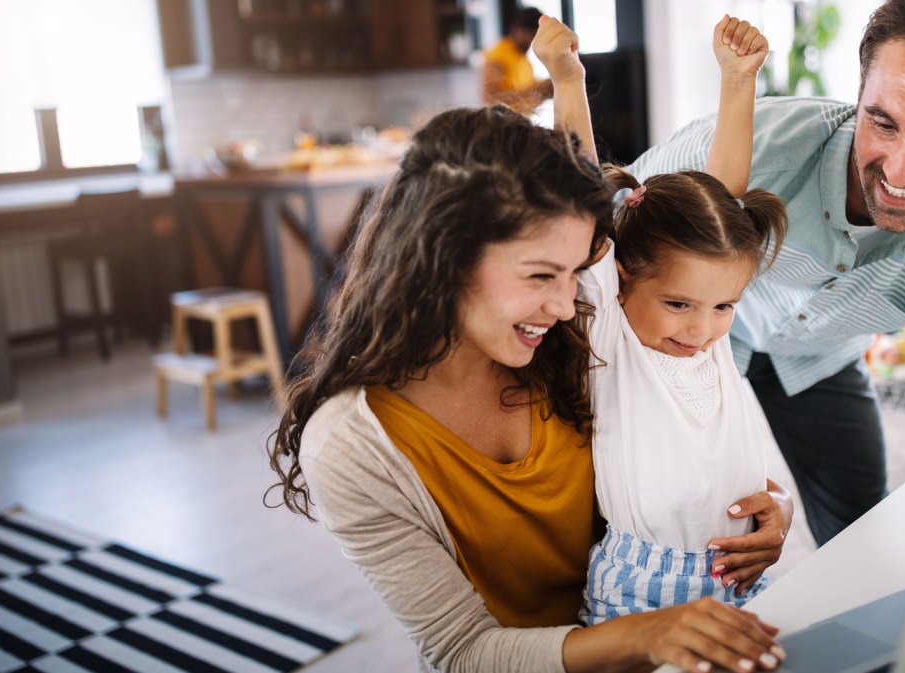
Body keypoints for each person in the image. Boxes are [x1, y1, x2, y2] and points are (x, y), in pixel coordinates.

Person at [267, 106, 790, 673]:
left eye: (573, 274)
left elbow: (686, 455)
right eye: (541, 275)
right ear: (442, 257)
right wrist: (647, 635)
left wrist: (770, 512)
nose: (566, 304)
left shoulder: (574, 339)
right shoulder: (352, 445)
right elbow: (462, 652)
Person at [623, 0, 905, 547]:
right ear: (861, 89)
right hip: (690, 343)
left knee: (860, 536)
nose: (900, 170)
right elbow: (600, 242)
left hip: (820, 358)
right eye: (883, 123)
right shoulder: (752, 145)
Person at [535, 15, 794, 628]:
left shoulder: (705, 338)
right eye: (679, 304)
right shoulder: (616, 338)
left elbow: (725, 205)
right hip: (641, 592)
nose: (702, 329)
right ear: (621, 278)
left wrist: (738, 81)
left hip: (738, 580)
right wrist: (567, 81)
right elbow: (581, 201)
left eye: (723, 307)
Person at [480, 6, 554, 115]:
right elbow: (490, 98)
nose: (531, 39)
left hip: (521, 125)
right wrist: (537, 90)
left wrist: (547, 86)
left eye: (535, 34)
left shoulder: (525, 61)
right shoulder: (499, 53)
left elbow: (528, 88)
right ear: (514, 29)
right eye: (528, 33)